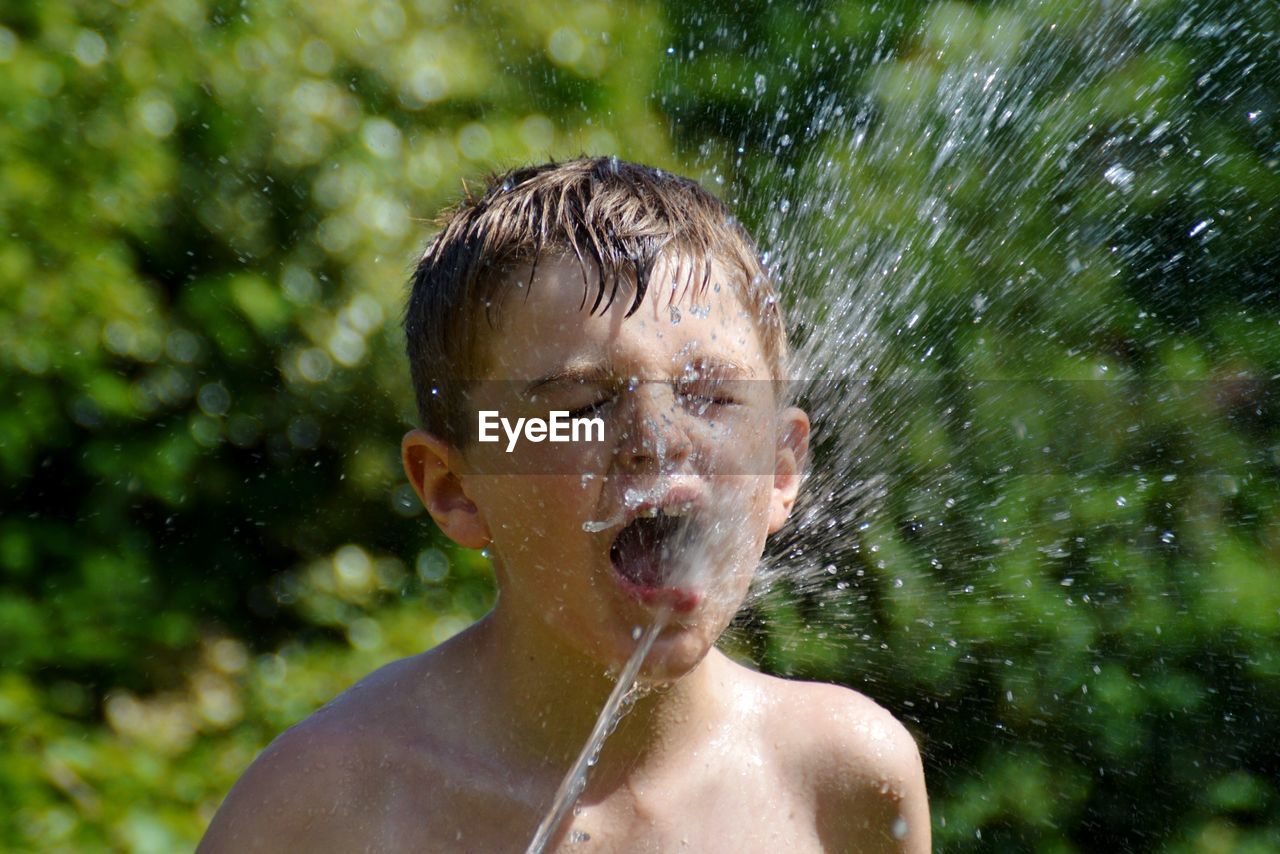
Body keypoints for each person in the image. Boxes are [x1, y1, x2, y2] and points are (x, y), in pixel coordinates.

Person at [199, 157, 929, 852]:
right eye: (581, 405)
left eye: (711, 396)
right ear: (455, 489)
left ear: (779, 469)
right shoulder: (323, 811)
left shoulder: (843, 779)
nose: (658, 441)